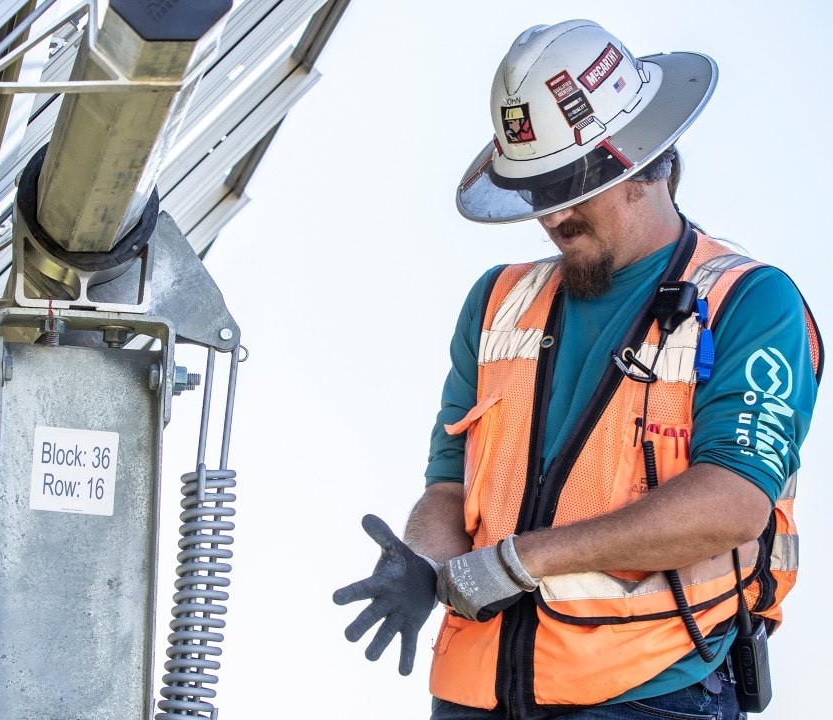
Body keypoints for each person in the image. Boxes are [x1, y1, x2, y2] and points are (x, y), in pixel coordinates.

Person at [333, 19, 822, 720]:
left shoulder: (748, 301)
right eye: (537, 190)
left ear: (643, 158)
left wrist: (519, 560)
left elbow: (733, 504)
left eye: (571, 182)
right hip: (473, 693)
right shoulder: (497, 303)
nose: (553, 214)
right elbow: (448, 488)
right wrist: (425, 561)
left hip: (650, 692)